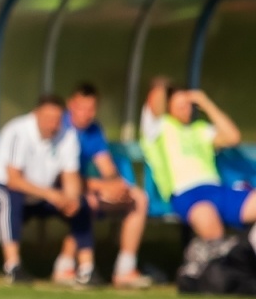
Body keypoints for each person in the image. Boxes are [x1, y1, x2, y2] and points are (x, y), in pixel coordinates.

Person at [0, 95, 92, 285]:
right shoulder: (18, 131)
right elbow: (14, 180)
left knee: (83, 204)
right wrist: (51, 194)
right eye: (47, 119)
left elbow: (70, 176)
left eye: (56, 119)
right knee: (10, 197)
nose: (52, 124)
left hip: (38, 193)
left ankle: (86, 270)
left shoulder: (68, 136)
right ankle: (12, 266)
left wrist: (72, 198)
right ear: (35, 114)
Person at [57, 83, 151, 288]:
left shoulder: (94, 130)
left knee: (138, 198)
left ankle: (125, 269)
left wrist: (118, 186)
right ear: (70, 104)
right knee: (86, 202)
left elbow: (106, 167)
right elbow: (59, 178)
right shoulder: (58, 126)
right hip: (56, 189)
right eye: (82, 107)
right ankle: (66, 266)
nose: (86, 114)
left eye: (91, 109)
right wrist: (100, 186)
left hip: (82, 186)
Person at [143, 87, 253, 242]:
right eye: (179, 104)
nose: (184, 108)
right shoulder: (159, 128)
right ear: (169, 106)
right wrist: (163, 85)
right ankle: (223, 262)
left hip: (216, 189)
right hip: (186, 194)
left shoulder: (201, 129)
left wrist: (205, 102)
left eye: (187, 104)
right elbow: (155, 99)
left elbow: (233, 137)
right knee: (211, 227)